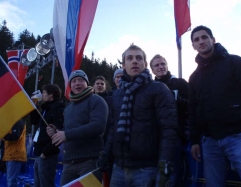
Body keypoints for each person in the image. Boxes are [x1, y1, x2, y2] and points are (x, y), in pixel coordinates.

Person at [97, 45, 179, 187]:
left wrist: (164, 165)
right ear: (123, 65)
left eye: (138, 58)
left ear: (145, 64)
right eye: (130, 58)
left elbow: (168, 130)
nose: (134, 61)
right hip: (118, 168)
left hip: (146, 169)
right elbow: (112, 129)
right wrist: (105, 153)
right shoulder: (117, 94)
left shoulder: (158, 89)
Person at [189, 25, 241, 187]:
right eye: (196, 39)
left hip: (240, 137)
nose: (201, 41)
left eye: (204, 37)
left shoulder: (234, 62)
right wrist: (195, 140)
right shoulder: (194, 77)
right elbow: (194, 110)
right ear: (193, 46)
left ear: (213, 39)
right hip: (209, 142)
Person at [47, 70, 108, 186]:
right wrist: (57, 132)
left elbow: (98, 126)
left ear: (87, 83)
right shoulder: (68, 107)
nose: (77, 83)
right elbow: (68, 130)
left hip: (89, 162)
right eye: (74, 81)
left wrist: (66, 135)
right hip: (68, 163)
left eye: (80, 80)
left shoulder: (96, 100)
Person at [150, 54, 189, 187]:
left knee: (170, 175)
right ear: (152, 70)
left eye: (162, 64)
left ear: (167, 65)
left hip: (174, 136)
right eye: (156, 65)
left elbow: (193, 105)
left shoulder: (180, 83)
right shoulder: (150, 87)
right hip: (152, 138)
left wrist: (177, 100)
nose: (160, 67)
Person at [30, 84, 65, 187]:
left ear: (51, 95)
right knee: (37, 184)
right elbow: (34, 121)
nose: (42, 95)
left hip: (47, 154)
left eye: (44, 93)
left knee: (45, 184)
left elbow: (58, 132)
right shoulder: (46, 109)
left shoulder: (58, 109)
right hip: (39, 152)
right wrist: (34, 105)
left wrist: (45, 153)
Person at [2, 119, 26, 187]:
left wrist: (3, 135)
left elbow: (15, 136)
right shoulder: (12, 122)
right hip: (10, 154)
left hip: (15, 154)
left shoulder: (17, 122)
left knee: (11, 181)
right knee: (10, 180)